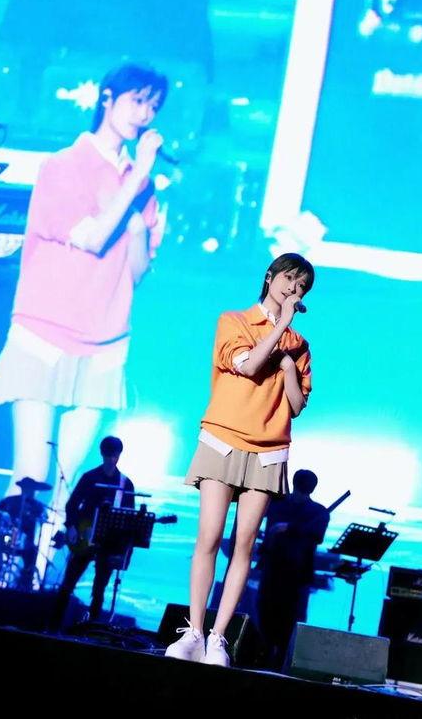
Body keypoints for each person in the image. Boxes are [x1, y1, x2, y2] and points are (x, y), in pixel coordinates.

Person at [0, 63, 169, 496]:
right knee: (30, 479)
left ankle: (48, 545)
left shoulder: (140, 183)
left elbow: (136, 272)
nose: (144, 114)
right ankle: (9, 545)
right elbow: (92, 239)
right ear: (107, 98)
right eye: (137, 101)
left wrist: (139, 223)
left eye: (153, 106)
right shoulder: (64, 165)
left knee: (66, 490)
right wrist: (136, 182)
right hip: (45, 331)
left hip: (106, 339)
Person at [165, 252, 315, 666]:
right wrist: (280, 327)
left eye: (302, 286)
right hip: (223, 439)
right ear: (269, 277)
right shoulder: (234, 321)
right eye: (289, 279)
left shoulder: (300, 346)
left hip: (269, 449)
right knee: (209, 537)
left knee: (243, 544)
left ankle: (218, 638)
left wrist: (289, 367)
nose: (294, 289)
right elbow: (247, 366)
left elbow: (297, 405)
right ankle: (194, 632)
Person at [49, 436, 135, 629]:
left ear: (119, 455)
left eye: (115, 455)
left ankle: (91, 631)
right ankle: (53, 626)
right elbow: (72, 504)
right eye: (108, 455)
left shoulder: (125, 484)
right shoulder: (90, 478)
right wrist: (72, 527)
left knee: (99, 590)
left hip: (108, 542)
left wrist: (123, 550)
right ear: (102, 454)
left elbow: (129, 517)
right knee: (68, 584)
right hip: (83, 538)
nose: (111, 459)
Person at [256, 468, 330, 670]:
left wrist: (288, 528)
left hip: (293, 574)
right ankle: (270, 658)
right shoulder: (282, 504)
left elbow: (316, 535)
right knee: (274, 617)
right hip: (280, 570)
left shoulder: (313, 511)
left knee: (283, 618)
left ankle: (277, 660)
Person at [0, 476, 49, 590]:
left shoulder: (37, 506)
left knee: (31, 554)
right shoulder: (10, 501)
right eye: (27, 488)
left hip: (26, 544)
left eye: (31, 489)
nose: (30, 491)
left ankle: (24, 584)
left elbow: (44, 517)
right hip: (8, 538)